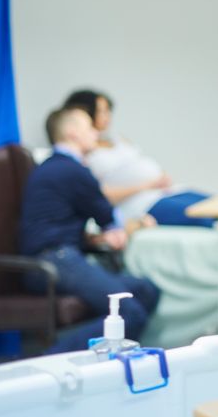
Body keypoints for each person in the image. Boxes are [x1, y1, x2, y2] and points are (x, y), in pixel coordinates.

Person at [20, 106, 160, 354]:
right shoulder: (73, 170)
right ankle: (52, 362)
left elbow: (60, 222)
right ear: (73, 132)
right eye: (89, 128)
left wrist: (92, 238)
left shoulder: (55, 167)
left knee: (146, 290)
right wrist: (136, 224)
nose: (96, 133)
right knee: (130, 312)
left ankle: (107, 356)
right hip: (53, 262)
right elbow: (111, 219)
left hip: (57, 257)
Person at [63, 89, 214, 228]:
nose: (107, 117)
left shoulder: (117, 139)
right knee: (204, 217)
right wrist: (147, 185)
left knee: (217, 205)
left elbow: (138, 161)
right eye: (101, 111)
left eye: (108, 111)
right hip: (139, 204)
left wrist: (160, 177)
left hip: (165, 191)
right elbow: (99, 195)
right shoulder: (83, 153)